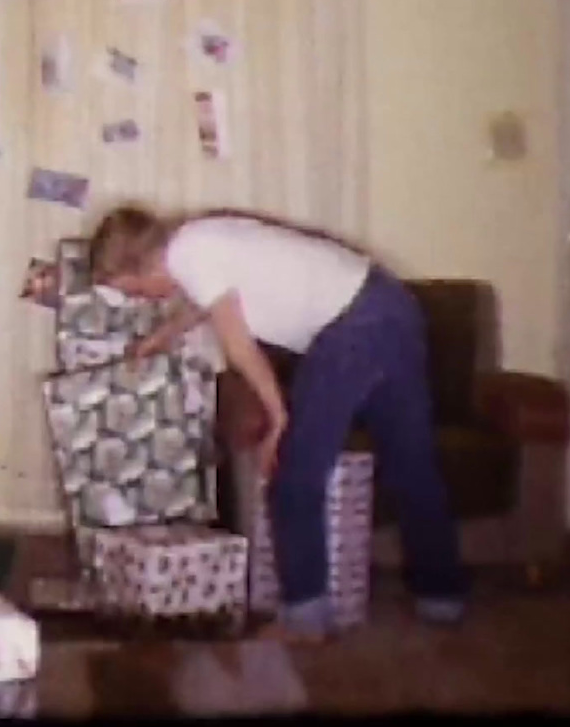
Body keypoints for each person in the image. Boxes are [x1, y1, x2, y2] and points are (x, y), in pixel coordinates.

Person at [87, 204, 467, 642]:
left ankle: (304, 617)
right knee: (411, 464)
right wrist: (161, 338)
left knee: (293, 475)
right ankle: (442, 597)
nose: (144, 299)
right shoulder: (195, 241)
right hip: (393, 308)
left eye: (136, 291)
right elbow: (203, 305)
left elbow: (238, 348)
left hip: (353, 327)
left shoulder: (191, 257)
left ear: (143, 264)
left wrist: (279, 416)